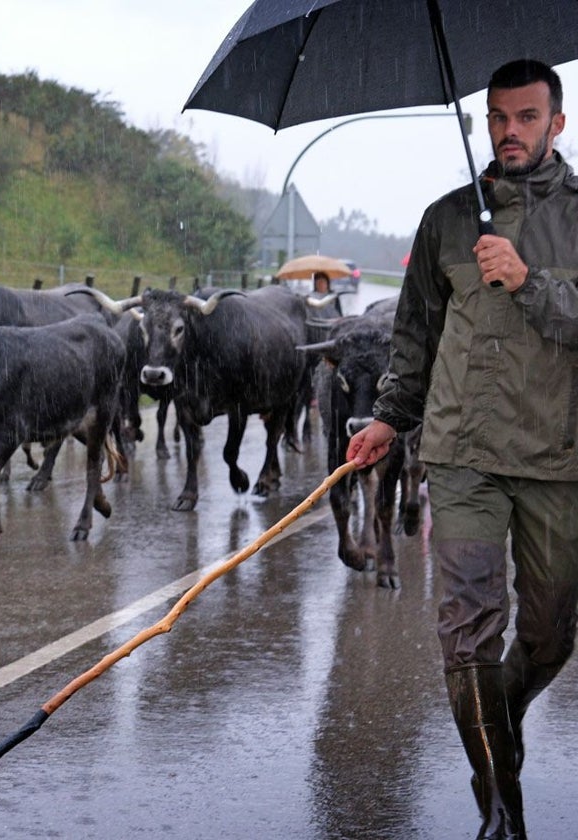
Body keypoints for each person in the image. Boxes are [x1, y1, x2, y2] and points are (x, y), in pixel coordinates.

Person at [348, 59, 578, 840]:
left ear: (558, 123)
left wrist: (530, 281)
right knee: (468, 629)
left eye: (526, 116)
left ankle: (494, 720)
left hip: (559, 458)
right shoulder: (447, 219)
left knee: (550, 633)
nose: (510, 131)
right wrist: (389, 418)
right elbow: (413, 339)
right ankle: (502, 809)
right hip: (463, 456)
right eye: (498, 117)